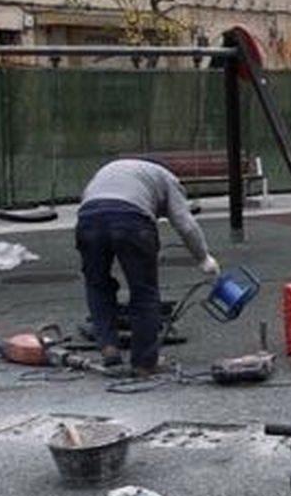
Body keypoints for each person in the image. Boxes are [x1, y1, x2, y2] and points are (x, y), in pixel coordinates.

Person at [76, 158, 219, 377]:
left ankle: (109, 348)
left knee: (97, 285)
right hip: (132, 220)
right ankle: (144, 363)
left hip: (88, 218)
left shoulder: (118, 169)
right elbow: (185, 224)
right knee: (144, 292)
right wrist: (204, 259)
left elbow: (94, 201)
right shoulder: (169, 181)